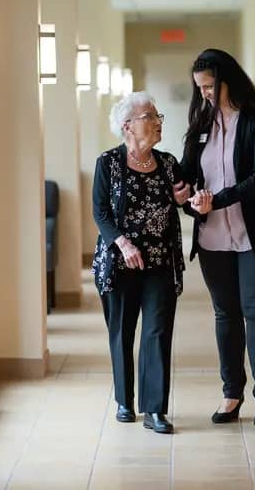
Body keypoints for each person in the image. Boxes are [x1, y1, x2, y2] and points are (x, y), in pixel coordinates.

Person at [181, 48, 255, 432]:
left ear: (229, 80)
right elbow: (187, 172)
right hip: (213, 235)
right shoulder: (200, 121)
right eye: (200, 89)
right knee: (225, 314)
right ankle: (232, 393)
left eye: (211, 87)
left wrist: (218, 199)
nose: (206, 95)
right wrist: (184, 193)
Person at [92, 91, 192, 434]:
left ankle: (155, 409)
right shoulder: (108, 163)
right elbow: (101, 213)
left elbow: (184, 200)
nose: (158, 121)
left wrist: (185, 199)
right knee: (122, 332)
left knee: (157, 332)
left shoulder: (167, 163)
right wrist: (122, 244)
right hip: (120, 263)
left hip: (161, 262)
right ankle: (124, 400)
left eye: (157, 115)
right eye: (150, 116)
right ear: (127, 126)